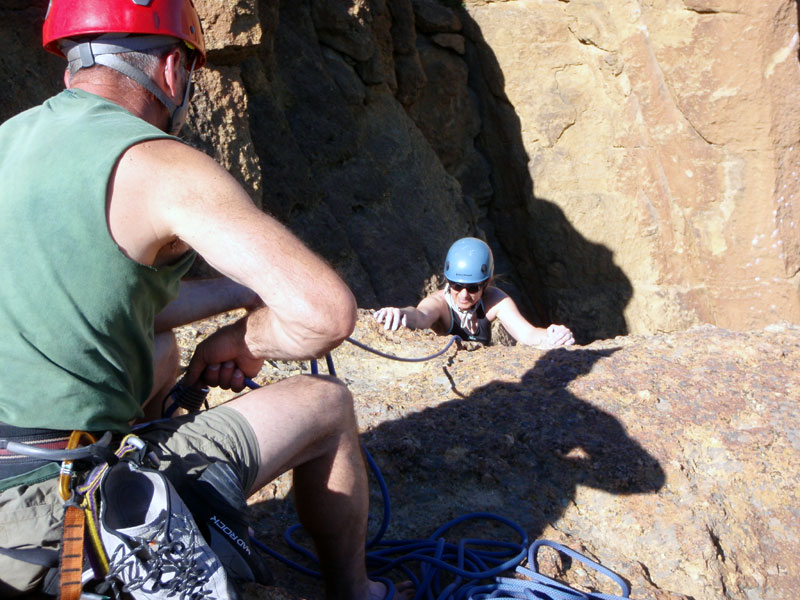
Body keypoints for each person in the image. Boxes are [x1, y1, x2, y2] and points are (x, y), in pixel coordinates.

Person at [0, 1, 389, 599]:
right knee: (327, 405)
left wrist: (246, 290)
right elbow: (326, 314)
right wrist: (247, 339)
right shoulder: (162, 165)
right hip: (51, 506)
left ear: (69, 66)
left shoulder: (11, 138)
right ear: (173, 70)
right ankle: (357, 591)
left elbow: (106, 303)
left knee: (159, 349)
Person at [374, 237, 575, 348]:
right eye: (456, 286)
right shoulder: (440, 303)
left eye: (472, 288)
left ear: (486, 283)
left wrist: (552, 335)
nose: (463, 294)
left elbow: (528, 334)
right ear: (448, 281)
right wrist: (400, 314)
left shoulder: (495, 300)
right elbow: (420, 316)